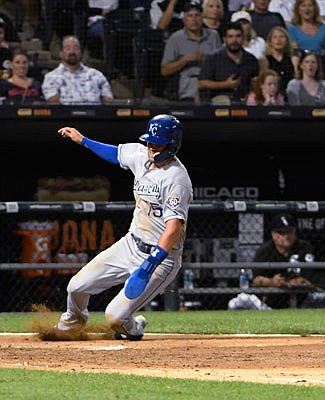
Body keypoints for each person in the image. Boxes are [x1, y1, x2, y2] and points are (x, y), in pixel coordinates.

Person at [52, 114, 192, 341]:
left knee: (114, 318)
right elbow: (115, 153)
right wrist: (83, 140)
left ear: (172, 145)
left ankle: (134, 326)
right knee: (76, 287)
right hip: (131, 244)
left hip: (161, 259)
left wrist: (150, 265)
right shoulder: (140, 155)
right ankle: (72, 323)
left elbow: (173, 228)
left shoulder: (177, 179)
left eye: (157, 144)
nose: (151, 148)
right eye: (149, 142)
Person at [160, 2, 222, 103]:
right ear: (184, 20)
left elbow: (221, 62)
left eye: (197, 15)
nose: (194, 19)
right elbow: (164, 70)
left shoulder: (213, 35)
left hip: (211, 83)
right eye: (190, 16)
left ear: (202, 19)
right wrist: (185, 60)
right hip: (187, 85)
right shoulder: (175, 38)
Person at [252, 213, 314, 309]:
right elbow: (256, 279)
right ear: (273, 234)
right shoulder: (265, 250)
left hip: (302, 299)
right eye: (281, 233)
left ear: (294, 232)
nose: (286, 236)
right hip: (271, 301)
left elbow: (308, 280)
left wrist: (289, 283)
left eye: (289, 232)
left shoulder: (304, 247)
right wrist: (272, 282)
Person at [198, 21, 260, 104]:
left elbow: (254, 82)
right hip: (218, 102)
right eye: (230, 36)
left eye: (238, 36)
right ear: (225, 39)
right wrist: (225, 84)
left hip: (244, 102)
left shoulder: (251, 60)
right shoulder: (213, 58)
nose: (234, 40)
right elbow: (202, 83)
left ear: (243, 38)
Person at [41, 35, 113, 105]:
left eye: (76, 48)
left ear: (80, 52)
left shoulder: (96, 75)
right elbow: (54, 105)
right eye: (68, 48)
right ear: (61, 53)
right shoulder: (51, 77)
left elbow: (108, 102)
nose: (72, 52)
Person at [260, 26, 297, 96]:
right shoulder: (264, 60)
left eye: (282, 37)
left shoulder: (293, 60)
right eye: (275, 37)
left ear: (287, 41)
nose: (278, 40)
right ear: (270, 42)